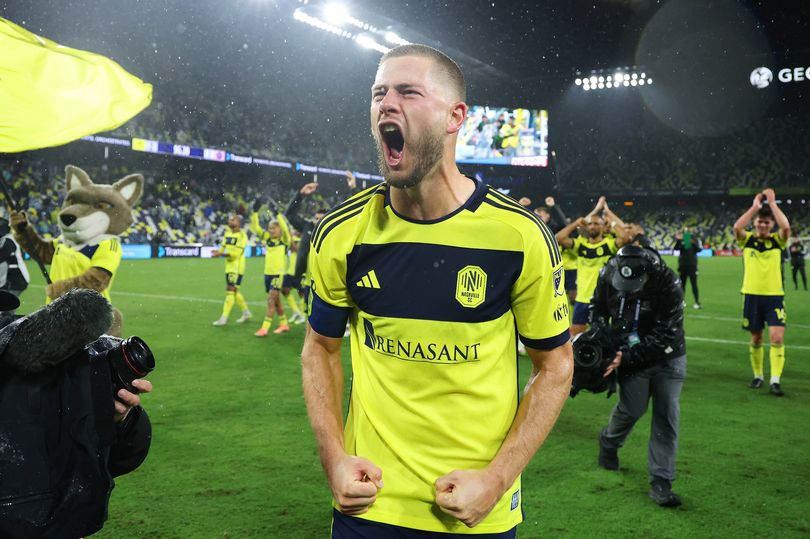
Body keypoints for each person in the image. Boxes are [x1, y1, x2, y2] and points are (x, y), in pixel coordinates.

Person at [302, 44, 573, 537]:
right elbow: (319, 348)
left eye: (408, 92)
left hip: (473, 508)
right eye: (379, 93)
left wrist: (497, 478)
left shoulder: (519, 236)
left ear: (455, 117)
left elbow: (555, 366)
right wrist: (334, 459)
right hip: (370, 506)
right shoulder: (343, 233)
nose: (387, 103)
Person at [591, 243, 686, 508]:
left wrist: (627, 356)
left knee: (666, 415)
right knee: (631, 409)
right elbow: (596, 308)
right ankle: (608, 441)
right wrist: (603, 341)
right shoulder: (608, 273)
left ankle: (661, 481)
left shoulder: (668, 281)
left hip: (668, 356)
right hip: (629, 355)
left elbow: (668, 331)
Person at [732, 189, 791, 396]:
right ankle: (758, 376)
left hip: (774, 296)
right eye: (760, 221)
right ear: (755, 223)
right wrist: (755, 207)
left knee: (776, 338)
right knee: (756, 338)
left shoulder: (778, 240)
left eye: (767, 222)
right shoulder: (746, 240)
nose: (763, 225)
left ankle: (775, 380)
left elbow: (786, 227)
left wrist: (773, 204)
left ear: (771, 225)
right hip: (751, 295)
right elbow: (737, 227)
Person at [556, 197, 628, 336]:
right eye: (589, 224)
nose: (592, 226)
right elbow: (559, 238)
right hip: (582, 299)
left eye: (596, 224)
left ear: (602, 226)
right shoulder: (580, 245)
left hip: (601, 299)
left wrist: (611, 221)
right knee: (575, 336)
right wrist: (576, 223)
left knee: (601, 336)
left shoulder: (609, 244)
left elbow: (625, 238)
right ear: (586, 227)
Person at [284, 182, 329, 312]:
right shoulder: (307, 227)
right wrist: (300, 195)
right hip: (307, 281)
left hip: (326, 283)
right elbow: (290, 215)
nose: (317, 221)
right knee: (309, 313)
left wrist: (353, 189)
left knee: (324, 317)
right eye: (316, 218)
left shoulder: (334, 232)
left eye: (321, 219)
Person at [250, 200, 292, 336]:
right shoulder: (268, 239)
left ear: (279, 229)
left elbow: (285, 228)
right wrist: (255, 212)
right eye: (270, 228)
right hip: (267, 274)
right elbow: (256, 228)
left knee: (271, 299)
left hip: (278, 274)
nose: (271, 230)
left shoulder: (284, 240)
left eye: (274, 228)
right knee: (277, 300)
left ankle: (265, 328)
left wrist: (278, 214)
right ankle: (284, 324)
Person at [211, 213, 251, 326]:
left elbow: (236, 254)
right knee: (234, 291)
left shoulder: (243, 236)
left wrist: (220, 254)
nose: (230, 221)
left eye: (233, 219)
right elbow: (223, 247)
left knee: (230, 290)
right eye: (230, 219)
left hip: (237, 267)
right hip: (229, 266)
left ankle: (223, 318)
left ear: (239, 223)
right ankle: (246, 312)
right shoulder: (227, 233)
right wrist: (218, 252)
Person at [0, 216, 29, 314]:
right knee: (6, 309)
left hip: (18, 280)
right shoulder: (6, 239)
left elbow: (1, 256)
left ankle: (10, 327)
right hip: (11, 280)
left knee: (7, 309)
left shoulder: (9, 240)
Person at [674, 226, 701, 309]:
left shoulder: (694, 239)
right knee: (682, 285)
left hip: (692, 266)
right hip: (683, 266)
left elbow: (699, 250)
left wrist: (693, 242)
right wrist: (678, 240)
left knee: (694, 285)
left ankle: (697, 302)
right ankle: (681, 302)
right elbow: (676, 248)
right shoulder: (681, 241)